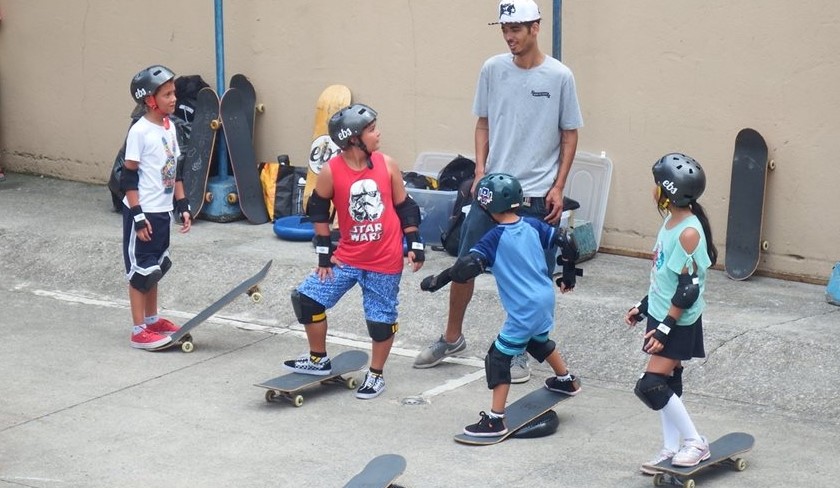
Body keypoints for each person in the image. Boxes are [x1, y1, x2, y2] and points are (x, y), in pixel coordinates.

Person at [413, 0, 584, 384]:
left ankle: (521, 351)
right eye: (505, 30)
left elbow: (570, 133)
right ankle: (452, 337)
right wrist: (478, 170)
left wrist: (558, 186)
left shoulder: (560, 76)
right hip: (490, 193)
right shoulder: (492, 69)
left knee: (531, 276)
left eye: (517, 29)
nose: (509, 37)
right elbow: (483, 124)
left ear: (536, 28)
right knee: (465, 265)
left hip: (537, 194)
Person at [420, 173, 581, 436]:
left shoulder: (493, 238)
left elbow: (465, 268)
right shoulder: (532, 225)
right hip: (544, 298)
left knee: (498, 358)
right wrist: (569, 274)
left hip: (524, 309)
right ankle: (565, 381)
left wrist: (438, 280)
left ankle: (495, 420)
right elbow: (567, 240)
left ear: (485, 206)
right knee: (537, 340)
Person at [283, 103, 424, 400]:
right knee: (306, 299)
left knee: (380, 321)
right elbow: (318, 210)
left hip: (384, 260)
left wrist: (415, 244)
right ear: (353, 138)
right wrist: (324, 255)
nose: (378, 134)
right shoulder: (331, 171)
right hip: (346, 258)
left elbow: (405, 207)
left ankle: (375, 375)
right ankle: (318, 359)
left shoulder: (387, 164)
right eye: (371, 130)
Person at [624, 153, 717, 471]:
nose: (653, 190)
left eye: (656, 184)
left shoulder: (689, 232)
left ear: (667, 190)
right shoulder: (671, 221)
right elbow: (664, 276)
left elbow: (688, 289)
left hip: (677, 320)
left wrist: (665, 326)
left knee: (650, 384)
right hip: (663, 314)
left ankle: (695, 442)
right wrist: (644, 306)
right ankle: (670, 447)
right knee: (668, 379)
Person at [120, 65, 192, 349]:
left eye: (173, 93)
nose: (173, 99)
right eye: (167, 94)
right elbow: (128, 176)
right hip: (143, 210)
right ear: (150, 99)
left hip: (162, 209)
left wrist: (182, 203)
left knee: (156, 267)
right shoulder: (140, 131)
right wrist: (137, 216)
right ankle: (139, 330)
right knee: (140, 272)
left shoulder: (169, 126)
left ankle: (151, 320)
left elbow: (176, 169)